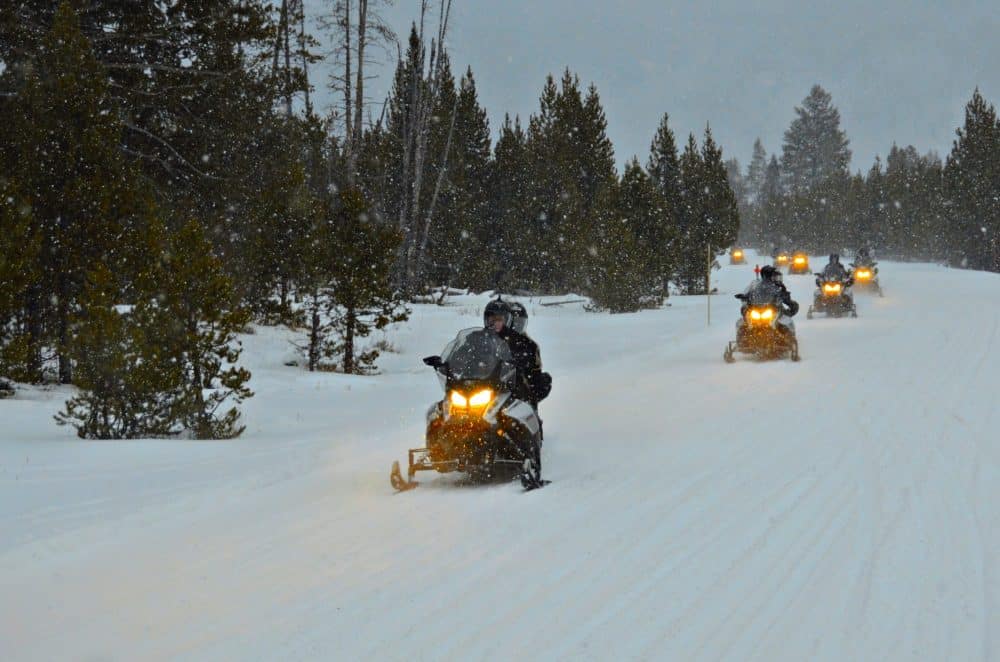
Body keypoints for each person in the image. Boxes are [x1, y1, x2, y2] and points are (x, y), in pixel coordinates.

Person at [484, 299, 551, 407]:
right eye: (492, 319)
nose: (495, 323)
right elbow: (465, 355)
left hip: (512, 392)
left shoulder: (526, 344)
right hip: (482, 386)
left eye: (500, 320)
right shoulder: (479, 338)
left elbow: (531, 371)